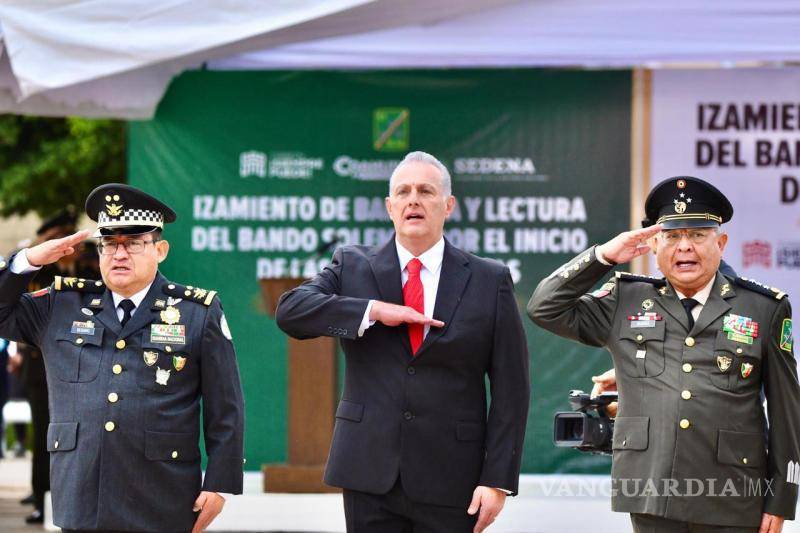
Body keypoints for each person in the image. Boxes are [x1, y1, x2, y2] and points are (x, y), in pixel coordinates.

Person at [276, 151, 530, 532]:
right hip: (368, 472)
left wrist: (497, 479)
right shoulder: (351, 264)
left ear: (448, 206)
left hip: (452, 474)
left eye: (426, 191)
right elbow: (291, 311)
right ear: (389, 206)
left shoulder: (488, 278)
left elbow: (512, 388)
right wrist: (374, 310)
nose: (414, 199)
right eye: (404, 191)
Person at [528, 176, 798, 533]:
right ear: (654, 245)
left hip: (734, 496)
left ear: (722, 243)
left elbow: (786, 412)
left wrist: (780, 499)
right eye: (671, 236)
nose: (684, 247)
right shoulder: (624, 299)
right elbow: (544, 308)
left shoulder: (763, 308)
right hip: (651, 493)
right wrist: (604, 256)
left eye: (698, 235)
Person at [0, 183, 245, 532]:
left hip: (162, 495)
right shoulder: (62, 305)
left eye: (132, 244)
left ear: (160, 250)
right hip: (83, 494)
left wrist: (219, 483)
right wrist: (28, 261)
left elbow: (226, 406)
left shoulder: (195, 312)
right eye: (109, 244)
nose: (119, 255)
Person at [15, 207, 83, 523]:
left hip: (80, 366)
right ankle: (42, 496)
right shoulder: (38, 273)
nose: (71, 248)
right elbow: (16, 311)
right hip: (39, 367)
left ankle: (66, 497)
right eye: (61, 239)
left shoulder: (90, 269)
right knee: (46, 433)